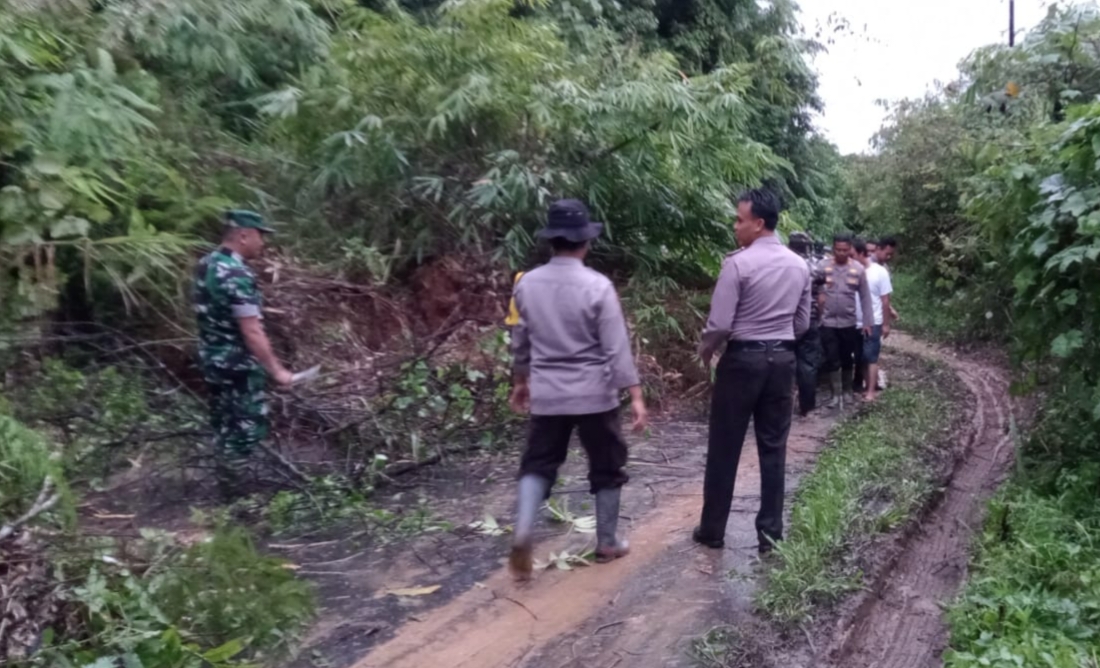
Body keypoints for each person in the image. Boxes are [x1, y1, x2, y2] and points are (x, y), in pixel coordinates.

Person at [508, 199, 648, 579]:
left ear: (551, 241)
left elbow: (519, 340)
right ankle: (606, 542)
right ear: (586, 242)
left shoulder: (527, 284)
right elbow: (616, 347)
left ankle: (523, 531)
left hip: (548, 394)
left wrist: (521, 382)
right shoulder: (598, 286)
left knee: (538, 463)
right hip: (594, 395)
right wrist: (634, 394)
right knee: (606, 464)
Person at [693, 189, 811, 555]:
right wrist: (779, 342)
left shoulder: (737, 264)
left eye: (739, 220)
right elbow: (803, 323)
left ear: (759, 224)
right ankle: (771, 534)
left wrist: (705, 353)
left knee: (725, 445)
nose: (735, 226)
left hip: (742, 361)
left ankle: (712, 529)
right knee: (773, 447)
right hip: (782, 362)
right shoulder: (799, 266)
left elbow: (720, 324)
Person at [193, 210, 297, 496]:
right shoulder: (237, 274)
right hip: (237, 365)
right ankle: (235, 499)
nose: (262, 243)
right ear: (243, 235)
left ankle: (225, 490)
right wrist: (276, 370)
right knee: (247, 429)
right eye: (260, 235)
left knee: (224, 425)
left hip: (212, 361)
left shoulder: (206, 264)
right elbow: (251, 330)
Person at [818, 233, 873, 409]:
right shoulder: (822, 266)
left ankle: (847, 392)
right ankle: (835, 395)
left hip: (849, 323)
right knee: (832, 358)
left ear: (850, 249)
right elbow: (810, 287)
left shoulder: (858, 269)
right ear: (833, 249)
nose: (841, 253)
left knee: (847, 358)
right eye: (838, 250)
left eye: (845, 250)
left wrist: (867, 321)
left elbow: (865, 297)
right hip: (827, 323)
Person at [788, 232, 825, 416]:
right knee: (808, 364)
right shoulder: (814, 267)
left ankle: (782, 405)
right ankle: (807, 406)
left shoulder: (782, 264)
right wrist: (820, 317)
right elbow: (821, 296)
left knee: (784, 362)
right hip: (808, 319)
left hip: (784, 321)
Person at [862, 242, 894, 402]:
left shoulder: (881, 271)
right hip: (858, 320)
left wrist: (886, 323)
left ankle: (871, 391)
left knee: (871, 357)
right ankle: (866, 385)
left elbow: (885, 299)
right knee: (862, 356)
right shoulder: (855, 269)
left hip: (874, 319)